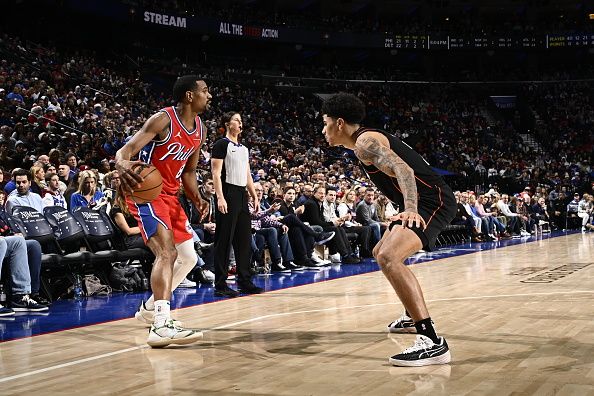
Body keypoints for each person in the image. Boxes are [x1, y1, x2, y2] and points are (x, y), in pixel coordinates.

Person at [321, 92, 457, 366]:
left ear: (339, 123)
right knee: (380, 250)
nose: (322, 130)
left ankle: (431, 341)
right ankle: (410, 313)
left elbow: (404, 170)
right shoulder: (362, 144)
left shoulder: (364, 143)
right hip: (424, 200)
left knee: (389, 257)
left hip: (433, 201)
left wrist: (410, 209)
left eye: (325, 123)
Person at [115, 75, 211, 347]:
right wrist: (122, 164)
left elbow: (189, 171)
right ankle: (160, 325)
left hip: (170, 195)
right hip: (147, 193)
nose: (209, 95)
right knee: (166, 253)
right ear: (190, 96)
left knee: (189, 257)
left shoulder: (200, 129)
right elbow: (127, 149)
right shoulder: (163, 120)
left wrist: (197, 198)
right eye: (205, 90)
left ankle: (148, 310)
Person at [211, 111, 262, 297]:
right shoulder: (221, 144)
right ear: (227, 123)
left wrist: (254, 195)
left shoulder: (244, 148)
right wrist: (220, 197)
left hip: (242, 194)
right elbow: (216, 174)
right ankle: (220, 284)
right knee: (224, 240)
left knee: (244, 241)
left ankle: (244, 281)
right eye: (236, 120)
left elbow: (247, 174)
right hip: (228, 192)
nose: (240, 123)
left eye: (241, 120)